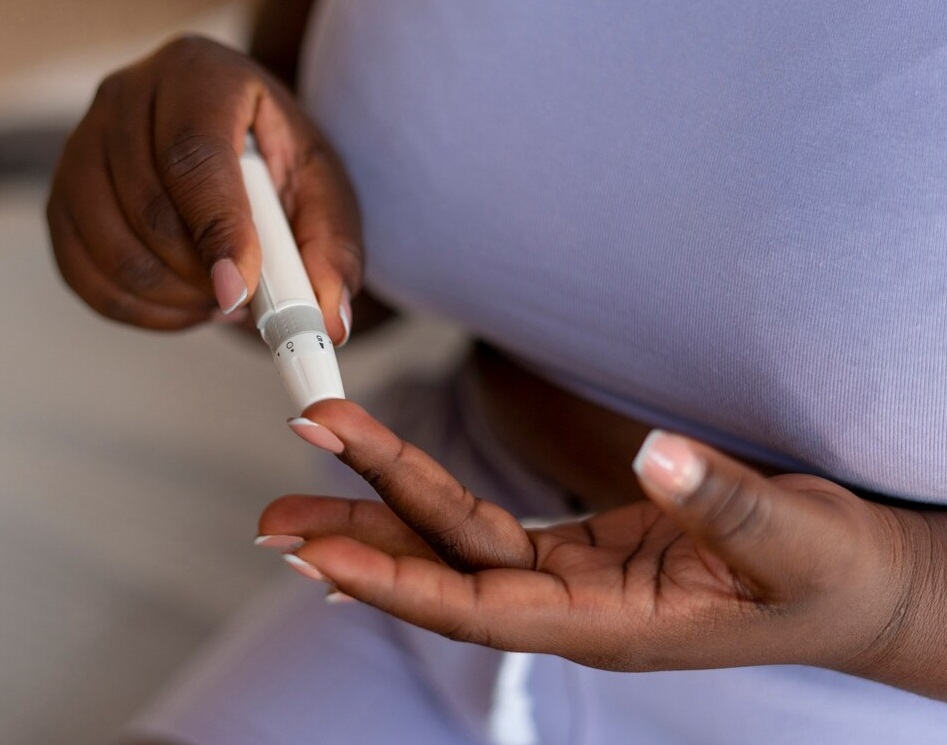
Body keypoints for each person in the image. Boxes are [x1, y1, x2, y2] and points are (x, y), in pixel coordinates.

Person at [46, 1, 947, 743]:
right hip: (428, 591)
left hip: (870, 693)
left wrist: (901, 605)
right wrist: (208, 207)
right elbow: (385, 213)